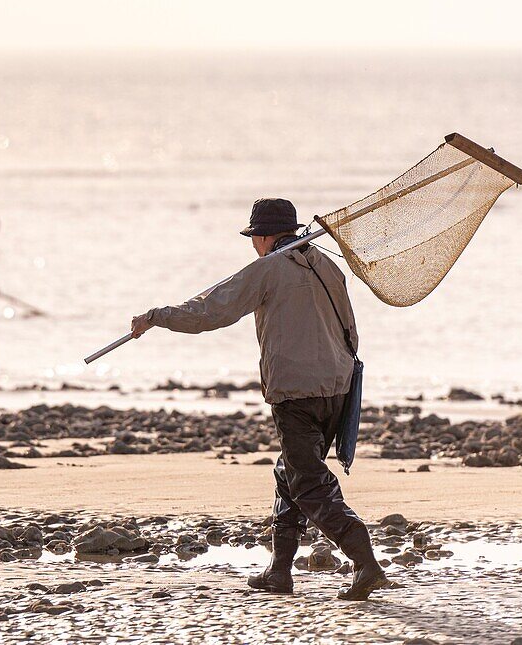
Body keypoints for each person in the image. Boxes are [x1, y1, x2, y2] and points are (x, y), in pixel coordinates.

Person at [129, 198, 389, 601]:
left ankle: (365, 561)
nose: (253, 244)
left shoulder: (267, 269)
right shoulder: (327, 265)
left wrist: (157, 317)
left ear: (265, 236)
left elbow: (208, 313)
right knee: (290, 473)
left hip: (295, 393)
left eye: (253, 237)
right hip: (337, 387)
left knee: (307, 483)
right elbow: (351, 332)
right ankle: (279, 572)